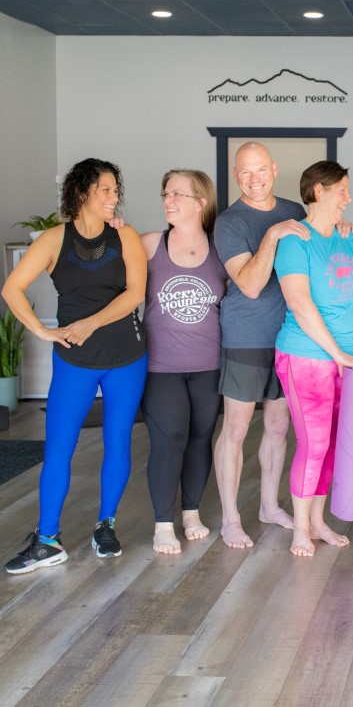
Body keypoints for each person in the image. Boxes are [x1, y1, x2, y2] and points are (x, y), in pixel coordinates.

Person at [3, 158, 147, 574]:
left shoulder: (127, 238)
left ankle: (106, 525)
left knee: (118, 441)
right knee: (59, 450)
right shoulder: (52, 240)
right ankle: (48, 539)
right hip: (74, 359)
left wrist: (89, 322)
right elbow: (11, 289)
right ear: (82, 193)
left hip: (126, 355)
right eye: (105, 189)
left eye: (115, 190)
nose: (114, 197)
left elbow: (134, 293)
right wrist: (43, 332)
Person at [274, 161, 353, 557]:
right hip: (307, 357)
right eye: (342, 190)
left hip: (352, 361)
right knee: (314, 444)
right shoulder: (294, 242)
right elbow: (299, 303)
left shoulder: (350, 237)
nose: (349, 199)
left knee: (336, 445)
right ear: (318, 190)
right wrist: (336, 354)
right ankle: (300, 528)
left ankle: (317, 522)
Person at [213, 141, 310, 549]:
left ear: (273, 169)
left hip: (290, 334)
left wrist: (337, 227)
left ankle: (269, 505)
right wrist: (272, 234)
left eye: (260, 171)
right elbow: (250, 285)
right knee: (235, 428)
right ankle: (230, 518)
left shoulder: (296, 212)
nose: (254, 180)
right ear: (237, 176)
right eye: (245, 173)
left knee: (278, 425)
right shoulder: (229, 223)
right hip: (247, 336)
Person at [140, 169, 227, 555]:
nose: (168, 201)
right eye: (165, 194)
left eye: (177, 194)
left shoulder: (222, 248)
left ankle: (190, 512)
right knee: (169, 437)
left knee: (199, 438)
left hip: (209, 364)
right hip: (161, 366)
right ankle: (162, 523)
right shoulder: (147, 244)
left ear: (200, 202)